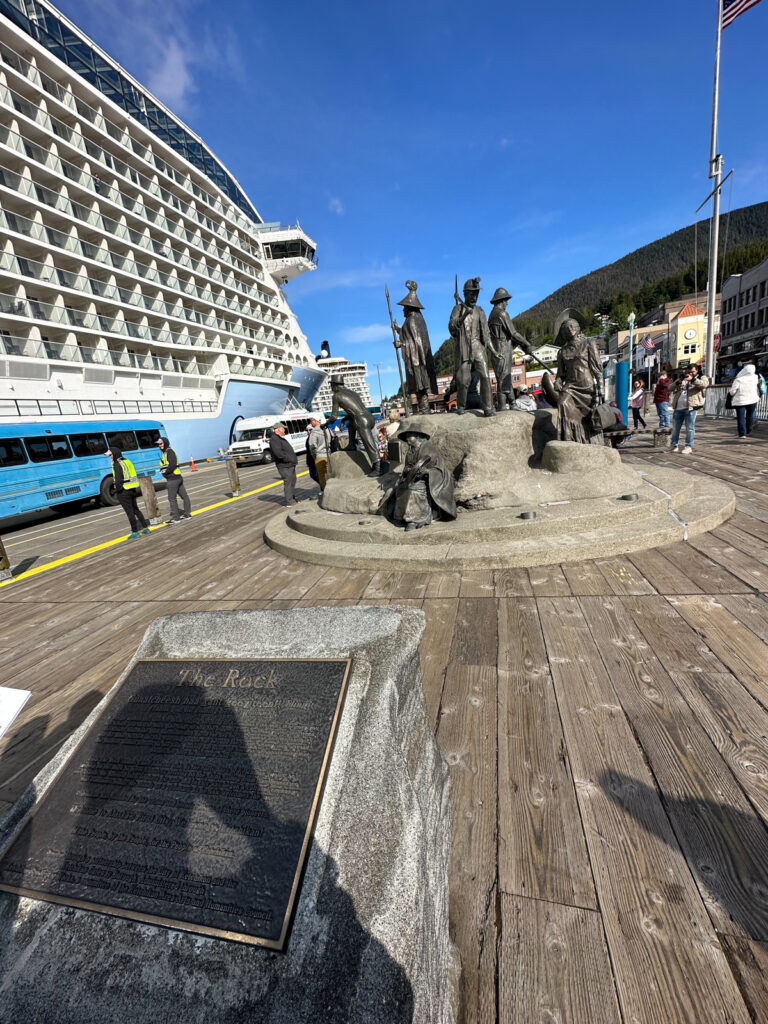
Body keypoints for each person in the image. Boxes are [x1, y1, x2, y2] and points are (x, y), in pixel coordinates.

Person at [547, 308, 604, 444]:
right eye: (566, 327)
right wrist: (557, 382)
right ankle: (570, 439)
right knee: (563, 402)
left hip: (587, 387)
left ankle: (590, 440)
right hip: (571, 387)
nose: (570, 329)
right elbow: (561, 374)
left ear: (578, 328)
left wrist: (601, 388)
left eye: (573, 326)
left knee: (590, 417)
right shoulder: (561, 352)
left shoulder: (588, 344)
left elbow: (597, 369)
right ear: (563, 332)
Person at [389, 426, 457, 531]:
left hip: (431, 479)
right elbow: (408, 467)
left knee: (414, 490)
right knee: (401, 487)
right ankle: (402, 515)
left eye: (409, 436)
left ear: (417, 436)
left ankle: (416, 519)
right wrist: (407, 470)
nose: (407, 439)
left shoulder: (428, 449)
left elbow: (439, 469)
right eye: (406, 437)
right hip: (413, 478)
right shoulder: (410, 451)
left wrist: (427, 472)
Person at [449, 277, 494, 417]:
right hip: (464, 347)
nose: (474, 297)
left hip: (477, 346)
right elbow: (452, 329)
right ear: (465, 294)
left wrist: (492, 349)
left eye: (477, 294)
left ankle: (488, 407)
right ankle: (461, 406)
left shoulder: (480, 311)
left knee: (485, 376)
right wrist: (463, 316)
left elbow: (486, 332)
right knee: (463, 380)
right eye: (472, 294)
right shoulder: (457, 308)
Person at [392, 281, 437, 415]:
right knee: (419, 385)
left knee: (420, 385)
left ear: (409, 307)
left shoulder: (412, 320)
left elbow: (416, 342)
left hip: (417, 359)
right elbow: (409, 335)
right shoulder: (416, 319)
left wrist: (401, 345)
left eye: (404, 307)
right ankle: (424, 409)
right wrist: (398, 329)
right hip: (418, 358)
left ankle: (424, 409)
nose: (402, 309)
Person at [488, 287, 532, 410]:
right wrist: (526, 344)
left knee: (503, 378)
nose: (507, 303)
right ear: (501, 300)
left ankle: (511, 403)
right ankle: (504, 405)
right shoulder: (502, 313)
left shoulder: (491, 315)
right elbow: (513, 333)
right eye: (506, 300)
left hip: (497, 350)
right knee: (503, 379)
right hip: (503, 349)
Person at [329, 375, 380, 474]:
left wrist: (325, 424)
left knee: (369, 444)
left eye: (331, 386)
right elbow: (356, 409)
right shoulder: (353, 393)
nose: (331, 388)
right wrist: (346, 417)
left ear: (335, 385)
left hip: (361, 420)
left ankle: (378, 468)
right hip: (369, 416)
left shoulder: (336, 396)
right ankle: (351, 444)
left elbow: (333, 417)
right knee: (351, 423)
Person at [107, 446, 150, 538]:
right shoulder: (127, 461)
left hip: (124, 491)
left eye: (110, 455)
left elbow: (118, 480)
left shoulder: (117, 464)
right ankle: (145, 528)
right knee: (136, 510)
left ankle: (135, 532)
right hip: (132, 489)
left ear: (114, 454)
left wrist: (116, 491)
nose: (109, 457)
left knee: (129, 512)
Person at [670, 365, 709, 454]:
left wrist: (693, 379)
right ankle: (674, 445)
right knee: (676, 428)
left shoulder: (701, 377)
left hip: (691, 408)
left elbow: (704, 384)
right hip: (678, 407)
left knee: (690, 428)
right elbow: (670, 388)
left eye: (693, 372)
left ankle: (688, 446)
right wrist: (678, 381)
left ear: (697, 371)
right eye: (689, 371)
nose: (690, 373)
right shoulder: (683, 377)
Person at [155, 436, 192, 524]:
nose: (159, 446)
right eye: (158, 444)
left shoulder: (169, 452)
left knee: (172, 498)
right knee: (184, 496)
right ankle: (187, 514)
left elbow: (172, 464)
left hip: (172, 479)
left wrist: (166, 473)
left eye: (161, 444)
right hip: (177, 478)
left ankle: (176, 518)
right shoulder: (166, 453)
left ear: (165, 443)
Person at [269, 423, 298, 504]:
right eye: (283, 428)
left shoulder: (279, 438)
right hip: (285, 465)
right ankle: (289, 501)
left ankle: (292, 498)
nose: (284, 430)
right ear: (277, 430)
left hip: (289, 464)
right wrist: (288, 459)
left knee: (292, 481)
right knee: (288, 482)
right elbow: (278, 453)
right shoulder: (274, 439)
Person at [728, 363, 760, 439]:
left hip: (740, 401)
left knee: (741, 417)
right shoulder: (755, 378)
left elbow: (732, 391)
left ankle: (742, 434)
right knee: (750, 416)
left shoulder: (738, 380)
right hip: (753, 399)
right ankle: (748, 430)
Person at [308, 416, 331, 489]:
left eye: (311, 421)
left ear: (316, 421)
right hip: (328, 454)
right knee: (329, 474)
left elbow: (312, 446)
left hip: (320, 456)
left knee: (322, 476)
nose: (310, 423)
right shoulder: (326, 429)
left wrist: (314, 456)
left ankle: (326, 491)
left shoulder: (314, 431)